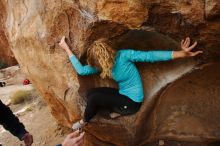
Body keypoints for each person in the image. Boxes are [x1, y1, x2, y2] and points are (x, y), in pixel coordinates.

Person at [59, 36, 202, 130]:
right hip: (123, 94)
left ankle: (84, 122)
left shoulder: (125, 55)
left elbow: (150, 56)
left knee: (95, 98)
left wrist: (180, 53)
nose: (99, 66)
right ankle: (115, 110)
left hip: (133, 102)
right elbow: (82, 71)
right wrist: (66, 48)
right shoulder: (101, 65)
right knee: (92, 93)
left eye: (99, 63)